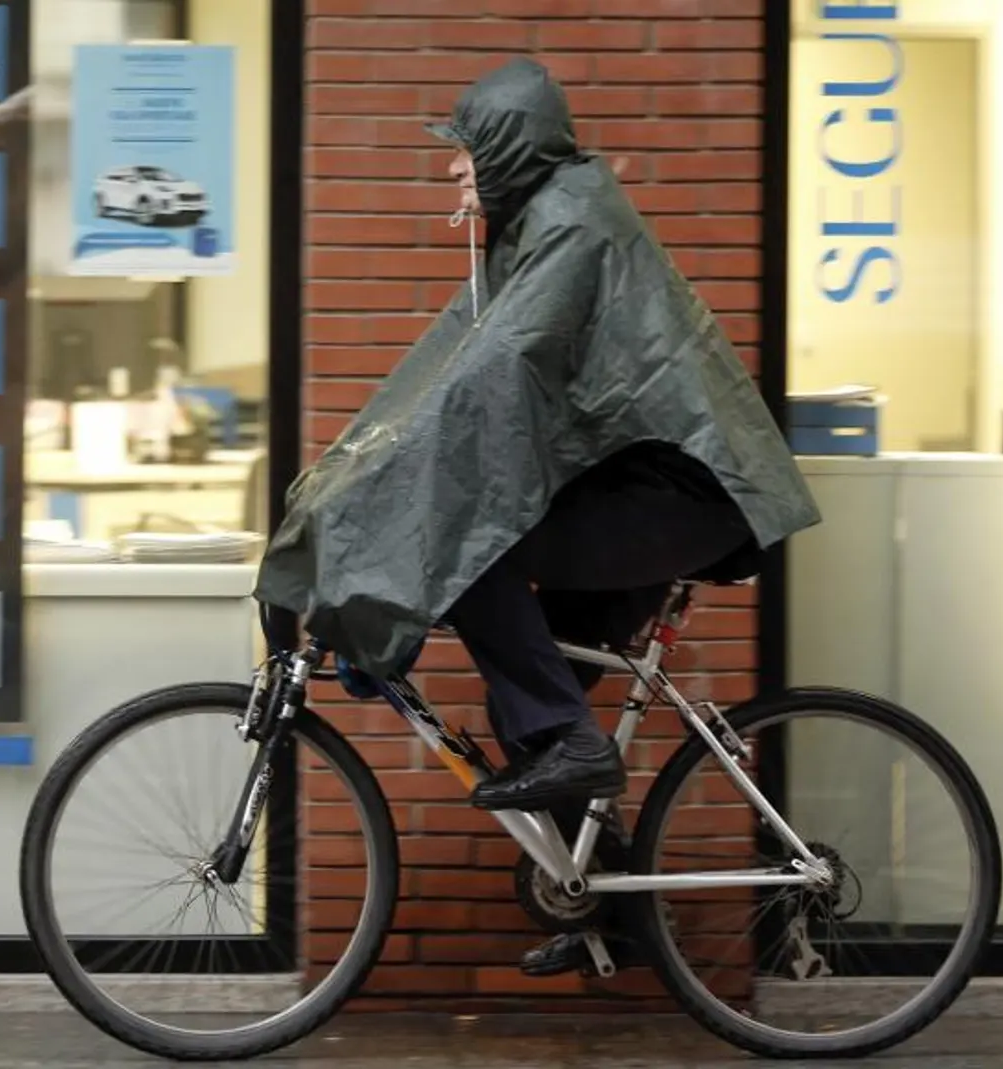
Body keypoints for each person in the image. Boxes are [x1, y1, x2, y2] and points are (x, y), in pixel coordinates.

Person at [253, 57, 822, 977]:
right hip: (642, 482)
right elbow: (443, 375)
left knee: (473, 556)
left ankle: (572, 742)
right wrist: (351, 473)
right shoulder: (537, 226)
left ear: (509, 149)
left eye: (464, 152)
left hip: (689, 492)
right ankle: (612, 908)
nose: (452, 170)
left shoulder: (570, 222)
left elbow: (493, 378)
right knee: (522, 689)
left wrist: (388, 503)